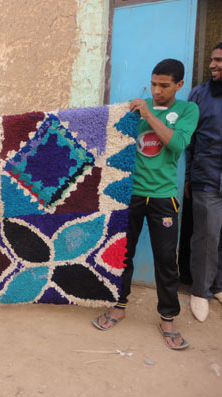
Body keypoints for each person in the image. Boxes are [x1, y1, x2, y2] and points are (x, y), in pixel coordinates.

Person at [91, 59, 199, 350]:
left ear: (179, 85)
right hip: (131, 194)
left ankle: (167, 318)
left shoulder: (187, 110)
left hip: (164, 196)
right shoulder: (135, 111)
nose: (156, 90)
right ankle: (119, 306)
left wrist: (149, 115)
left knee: (166, 259)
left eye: (163, 85)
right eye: (153, 84)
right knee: (122, 253)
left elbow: (176, 145)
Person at [185, 42, 222, 322]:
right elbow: (189, 140)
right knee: (206, 236)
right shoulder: (199, 95)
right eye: (212, 60)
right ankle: (200, 291)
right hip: (207, 177)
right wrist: (188, 176)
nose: (212, 65)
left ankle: (218, 285)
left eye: (219, 61)